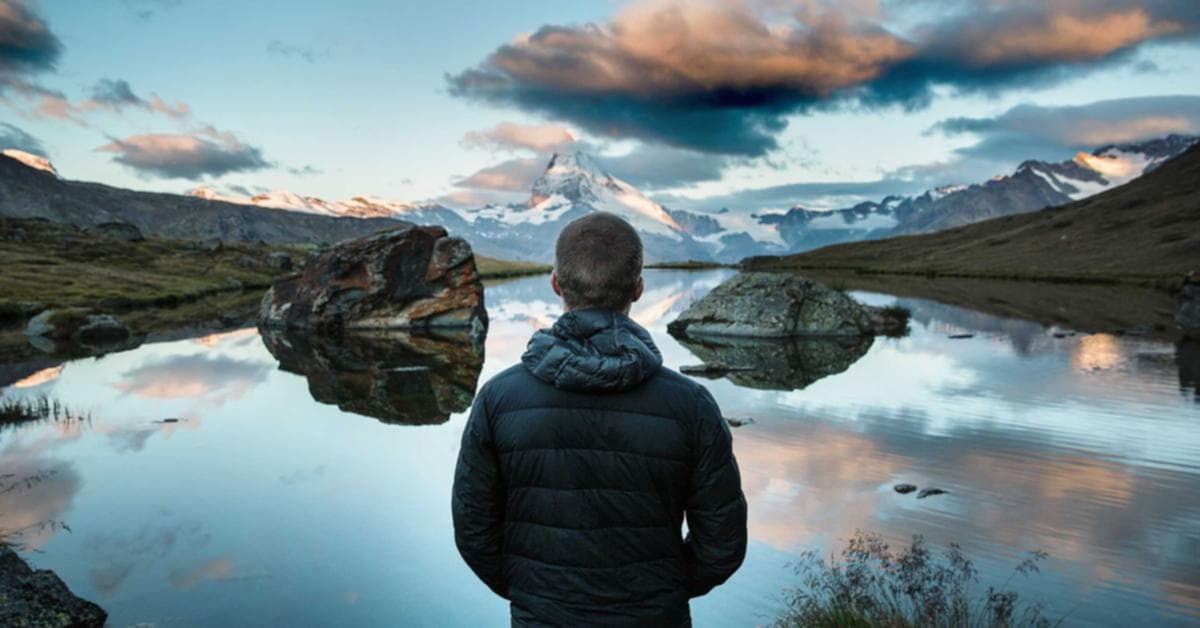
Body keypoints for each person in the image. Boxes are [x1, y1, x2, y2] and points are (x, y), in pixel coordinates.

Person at [452, 211, 747, 626]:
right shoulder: (692, 405)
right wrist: (662, 588)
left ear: (556, 283)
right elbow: (723, 544)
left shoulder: (497, 400)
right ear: (639, 287)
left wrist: (534, 591)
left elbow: (473, 532)